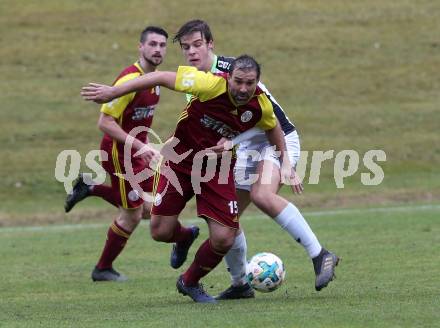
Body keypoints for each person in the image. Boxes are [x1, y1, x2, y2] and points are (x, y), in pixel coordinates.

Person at [81, 55, 300, 303]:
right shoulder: (207, 84)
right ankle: (185, 237)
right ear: (229, 78)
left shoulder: (261, 105)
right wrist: (114, 92)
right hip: (179, 161)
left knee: (224, 237)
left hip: (217, 169)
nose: (243, 89)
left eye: (249, 83)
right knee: (160, 232)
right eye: (238, 81)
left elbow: (274, 128)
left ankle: (190, 281)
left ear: (257, 82)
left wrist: (285, 163)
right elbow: (161, 77)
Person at [172, 19, 339, 299]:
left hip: (276, 140)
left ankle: (320, 254)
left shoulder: (233, 72)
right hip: (244, 148)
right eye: (186, 47)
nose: (192, 52)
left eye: (198, 45)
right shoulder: (196, 81)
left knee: (262, 194)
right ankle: (240, 285)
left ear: (210, 45)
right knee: (229, 218)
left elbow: (264, 116)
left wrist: (285, 162)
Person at [65, 26, 168, 282]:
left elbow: (136, 121)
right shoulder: (129, 80)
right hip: (117, 154)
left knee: (149, 208)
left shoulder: (154, 81)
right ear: (140, 47)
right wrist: (139, 146)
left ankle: (90, 187)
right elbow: (105, 123)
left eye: (162, 45)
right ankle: (102, 269)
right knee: (132, 213)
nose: (157, 49)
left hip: (134, 154)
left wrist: (143, 147)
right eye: (152, 44)